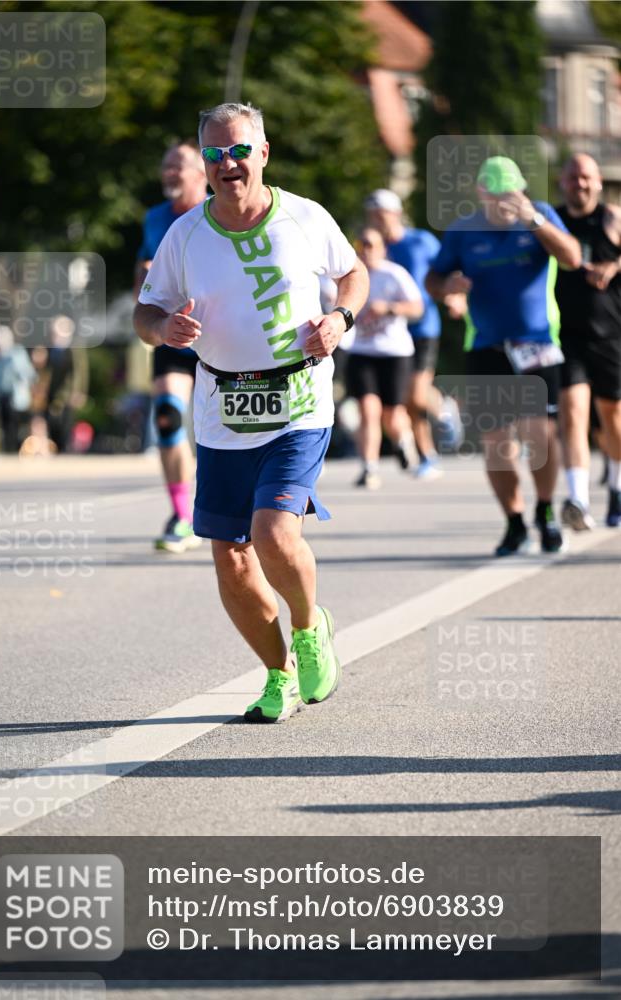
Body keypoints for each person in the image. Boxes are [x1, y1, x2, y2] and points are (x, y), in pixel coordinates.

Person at [134, 102, 369, 723]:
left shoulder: (305, 217)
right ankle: (277, 674)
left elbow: (353, 273)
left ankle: (309, 626)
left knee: (272, 533)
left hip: (299, 401)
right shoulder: (184, 234)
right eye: (214, 154)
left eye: (239, 151)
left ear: (263, 153)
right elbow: (145, 312)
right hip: (222, 411)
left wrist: (339, 318)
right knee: (230, 556)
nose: (228, 164)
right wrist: (162, 328)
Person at [425, 155, 581, 556]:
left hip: (537, 343)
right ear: (481, 194)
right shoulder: (463, 230)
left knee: (539, 435)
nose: (506, 204)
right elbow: (433, 279)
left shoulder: (539, 215)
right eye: (497, 197)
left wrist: (535, 221)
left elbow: (572, 258)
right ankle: (514, 522)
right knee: (496, 444)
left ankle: (545, 511)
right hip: (486, 346)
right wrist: (447, 286)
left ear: (522, 190)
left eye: (512, 194)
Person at [135, 142, 208, 553]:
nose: (169, 172)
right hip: (171, 333)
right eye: (165, 166)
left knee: (229, 430)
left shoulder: (219, 213)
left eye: (177, 165)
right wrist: (144, 296)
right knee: (167, 416)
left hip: (219, 338)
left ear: (201, 173)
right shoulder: (154, 218)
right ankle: (182, 515)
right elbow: (144, 268)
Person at [555, 153, 621, 529]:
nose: (579, 183)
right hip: (566, 335)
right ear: (562, 182)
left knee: (613, 417)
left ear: (597, 182)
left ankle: (616, 487)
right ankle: (578, 499)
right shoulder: (553, 221)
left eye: (586, 177)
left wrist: (614, 265)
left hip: (611, 334)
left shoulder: (612, 218)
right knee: (573, 412)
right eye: (572, 177)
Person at [365, 188, 445, 479]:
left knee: (416, 395)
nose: (377, 219)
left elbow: (447, 270)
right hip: (390, 336)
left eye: (382, 213)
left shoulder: (421, 241)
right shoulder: (372, 247)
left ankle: (442, 409)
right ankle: (427, 456)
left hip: (423, 327)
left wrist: (455, 296)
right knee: (405, 400)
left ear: (397, 213)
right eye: (373, 214)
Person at [346, 226, 423, 489]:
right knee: (368, 410)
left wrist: (389, 308)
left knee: (392, 414)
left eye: (371, 244)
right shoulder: (350, 275)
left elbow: (417, 308)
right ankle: (369, 467)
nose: (366, 249)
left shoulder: (394, 274)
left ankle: (403, 440)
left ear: (382, 249)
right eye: (361, 244)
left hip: (394, 351)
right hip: (361, 350)